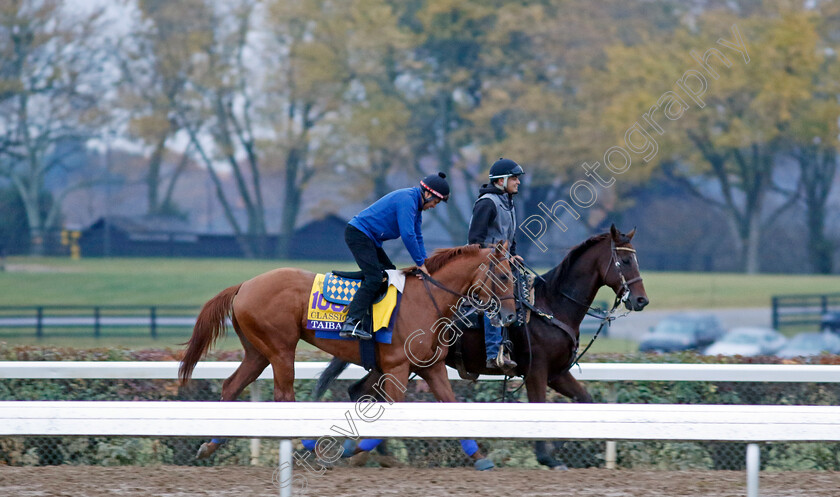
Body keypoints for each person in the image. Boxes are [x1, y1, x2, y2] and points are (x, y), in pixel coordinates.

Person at [340, 172, 450, 339]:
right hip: (359, 234)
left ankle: (370, 317)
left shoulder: (416, 206)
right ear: (427, 194)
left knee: (389, 272)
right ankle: (350, 322)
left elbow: (418, 236)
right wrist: (420, 263)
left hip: (370, 239)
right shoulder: (407, 200)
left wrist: (426, 263)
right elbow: (408, 235)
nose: (434, 206)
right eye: (436, 201)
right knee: (375, 278)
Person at [468, 157, 524, 371]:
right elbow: (474, 241)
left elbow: (511, 237)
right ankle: (493, 353)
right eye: (514, 178)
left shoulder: (509, 203)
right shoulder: (487, 203)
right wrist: (499, 256)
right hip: (484, 265)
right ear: (501, 181)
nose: (518, 182)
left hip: (503, 265)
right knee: (495, 300)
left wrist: (514, 255)